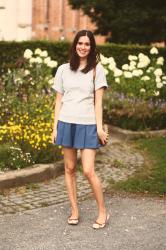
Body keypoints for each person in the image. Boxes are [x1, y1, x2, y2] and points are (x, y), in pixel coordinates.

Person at [51, 30, 110, 229]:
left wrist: (100, 128)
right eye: (80, 43)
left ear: (92, 47)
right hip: (66, 123)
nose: (83, 47)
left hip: (88, 125)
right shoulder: (63, 70)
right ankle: (74, 210)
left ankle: (103, 212)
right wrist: (55, 127)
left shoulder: (96, 70)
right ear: (75, 45)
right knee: (69, 169)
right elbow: (58, 100)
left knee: (88, 170)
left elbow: (98, 102)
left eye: (87, 44)